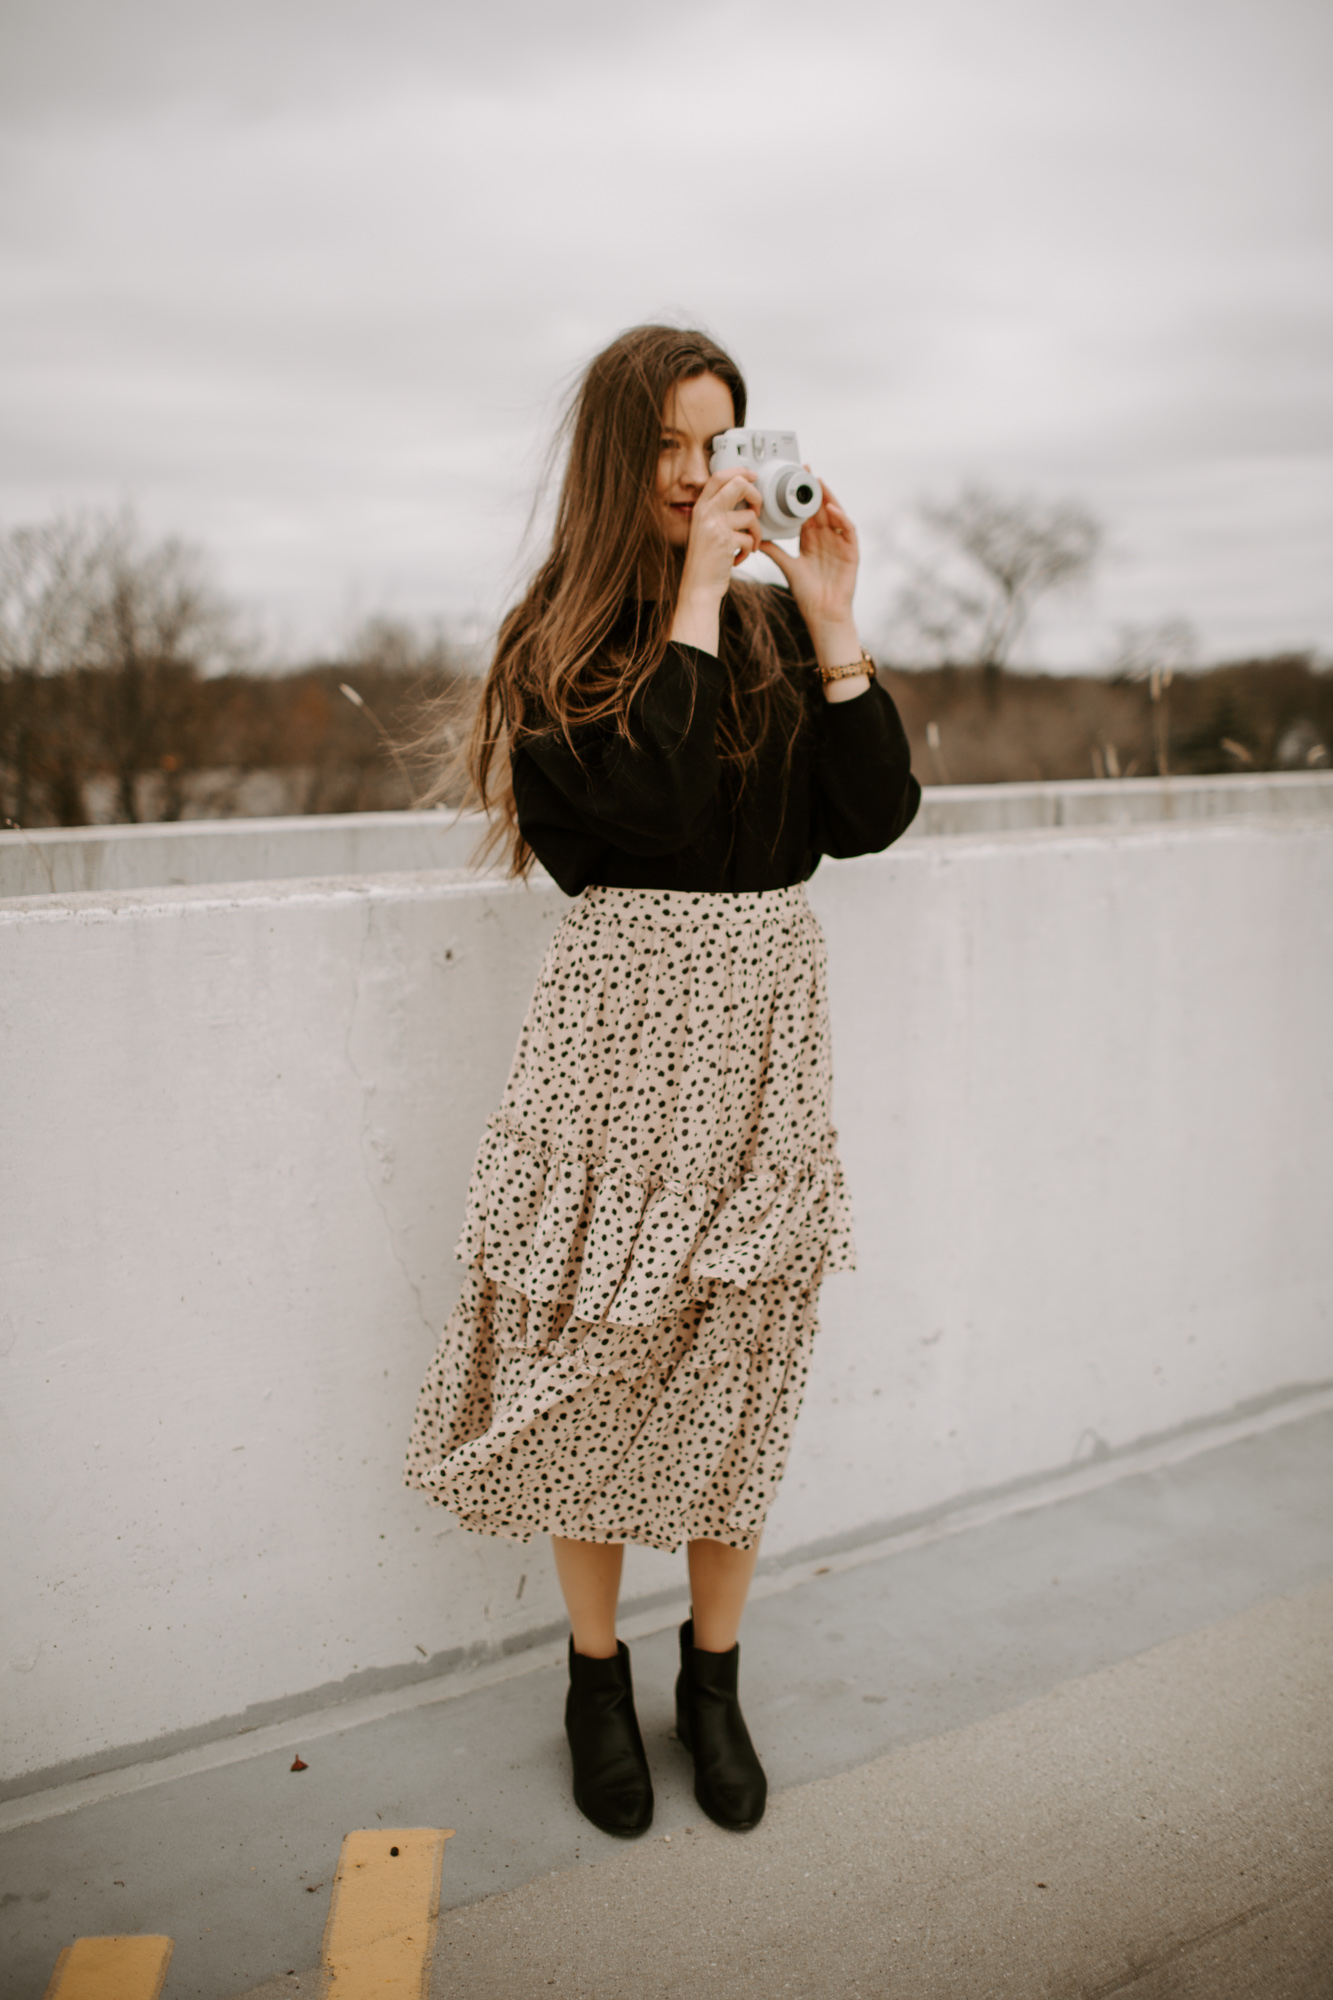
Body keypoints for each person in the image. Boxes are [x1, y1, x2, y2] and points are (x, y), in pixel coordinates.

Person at [404, 324, 919, 1839]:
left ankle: (712, 1681)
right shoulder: (557, 639)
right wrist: (696, 598)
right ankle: (590, 1679)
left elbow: (870, 817)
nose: (701, 477)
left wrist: (831, 623)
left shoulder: (772, 627)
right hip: (619, 1037)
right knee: (595, 1355)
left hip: (762, 1033)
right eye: (671, 450)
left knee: (738, 1356)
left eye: (722, 444)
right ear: (617, 463)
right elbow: (645, 803)